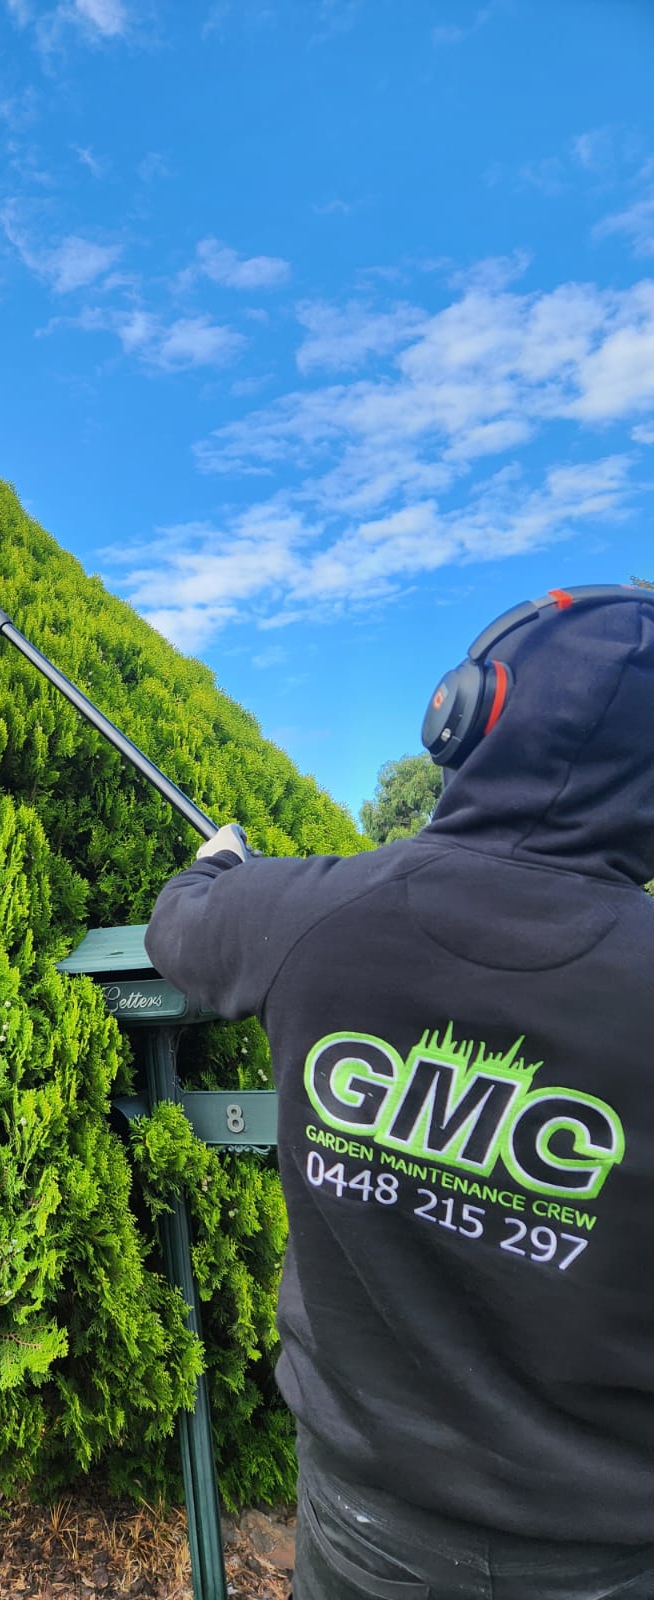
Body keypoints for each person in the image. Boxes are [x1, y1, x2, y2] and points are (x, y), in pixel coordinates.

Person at [143, 586, 654, 1600]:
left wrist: (222, 865)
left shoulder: (318, 912)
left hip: (364, 1521)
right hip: (612, 1545)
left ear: (465, 715)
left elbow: (181, 921)